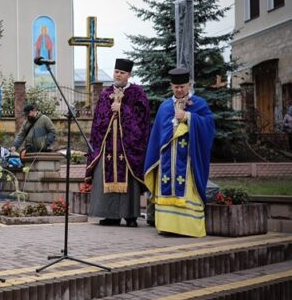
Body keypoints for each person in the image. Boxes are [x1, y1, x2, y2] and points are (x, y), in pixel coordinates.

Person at [144, 67, 215, 237]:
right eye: (176, 87)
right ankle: (167, 226)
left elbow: (209, 125)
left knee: (187, 189)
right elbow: (157, 135)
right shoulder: (165, 106)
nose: (179, 89)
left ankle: (188, 228)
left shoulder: (199, 104)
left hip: (188, 159)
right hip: (167, 160)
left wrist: (189, 117)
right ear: (171, 86)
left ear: (189, 85)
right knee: (167, 187)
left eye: (182, 86)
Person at [85, 58, 150, 227]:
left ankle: (130, 216)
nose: (118, 75)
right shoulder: (106, 94)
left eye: (122, 73)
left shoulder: (137, 93)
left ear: (129, 74)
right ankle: (110, 215)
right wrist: (110, 112)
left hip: (128, 146)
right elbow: (98, 121)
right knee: (104, 175)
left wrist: (123, 109)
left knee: (129, 180)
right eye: (116, 72)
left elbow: (141, 120)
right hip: (107, 146)